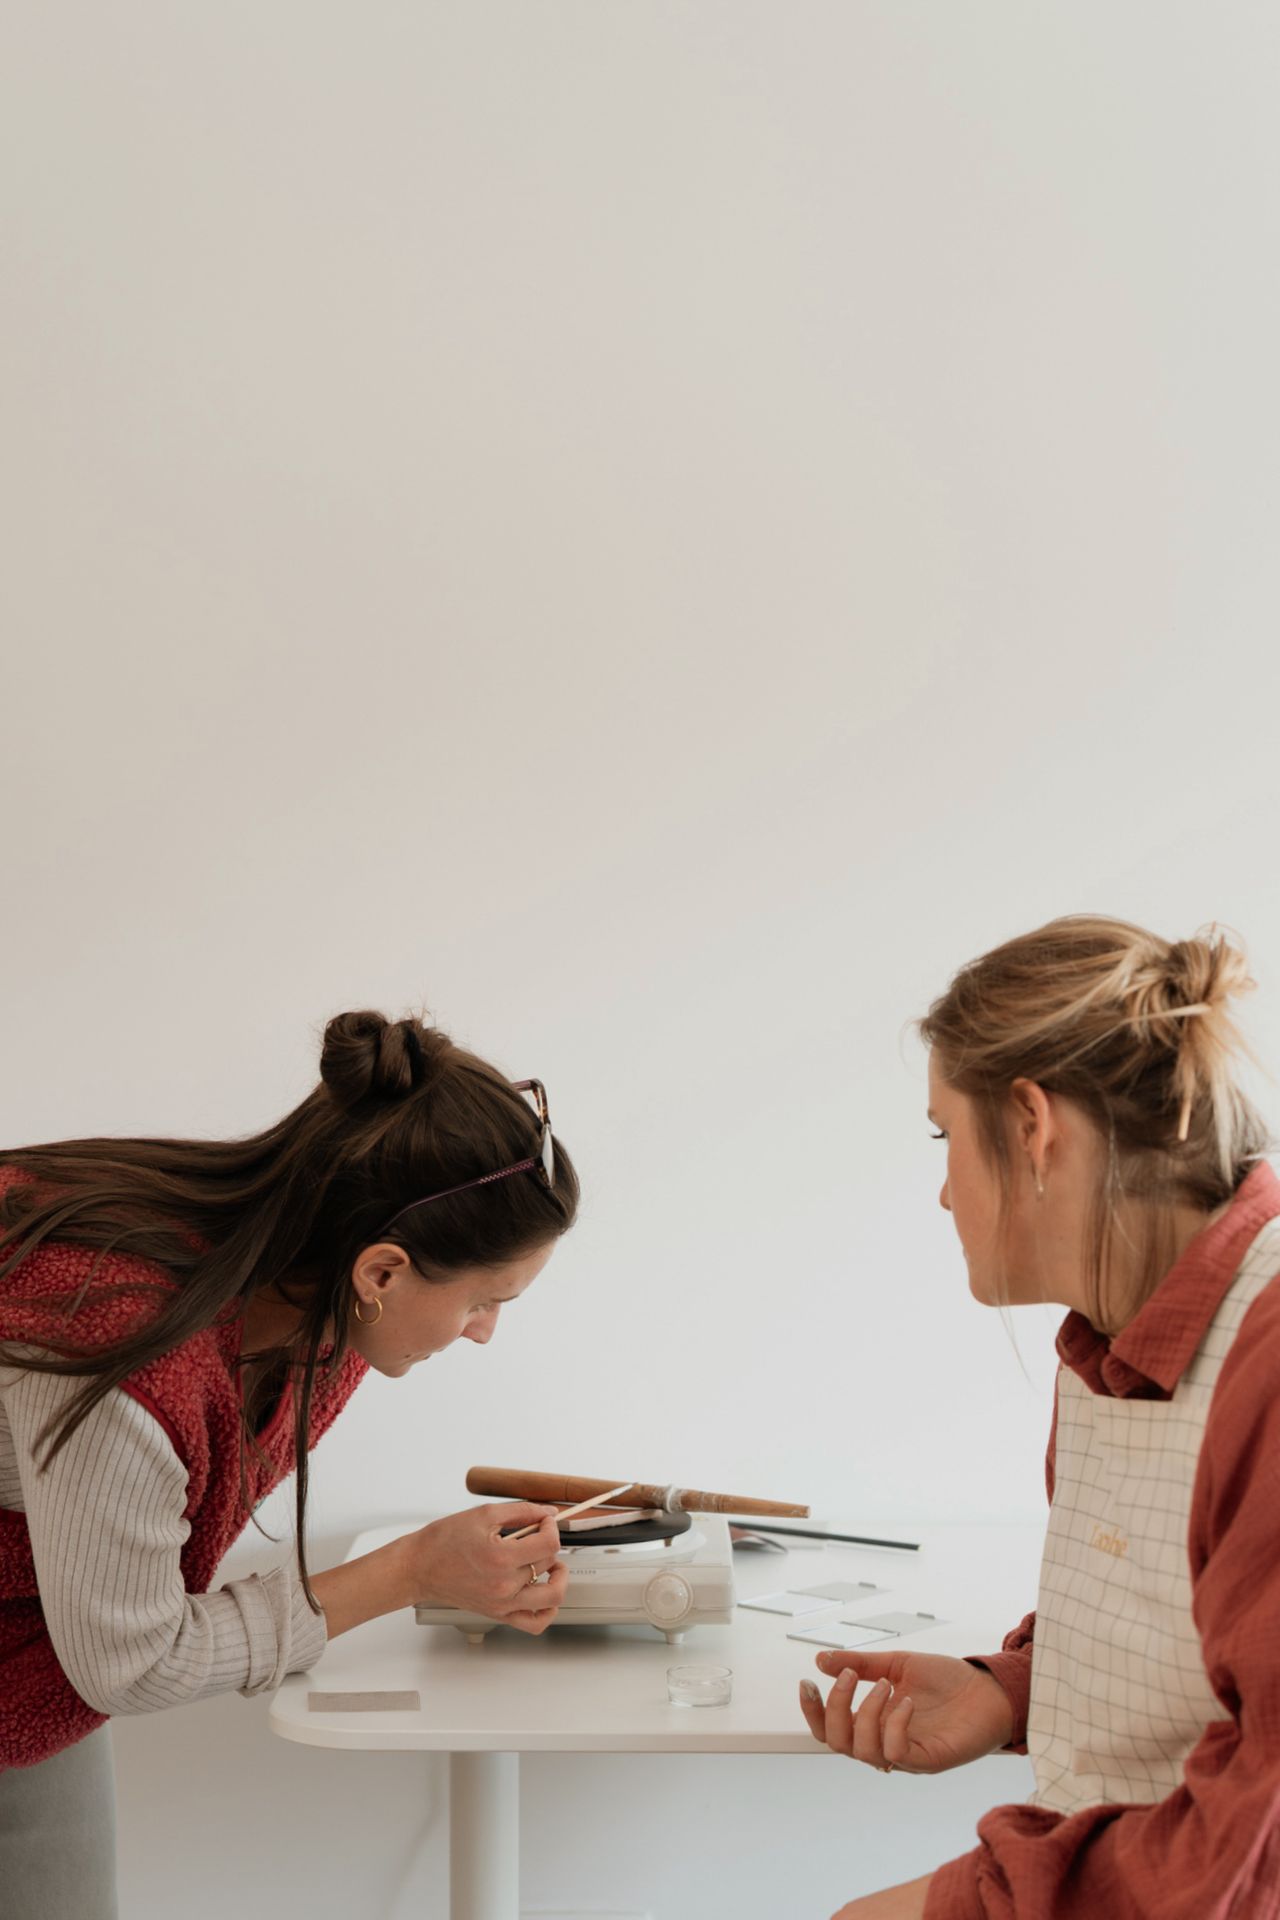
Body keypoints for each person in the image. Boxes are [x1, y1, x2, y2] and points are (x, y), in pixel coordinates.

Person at [0, 1008, 579, 1918]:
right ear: (382, 1272)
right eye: (483, 1300)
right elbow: (132, 1661)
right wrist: (413, 1570)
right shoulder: (126, 1346)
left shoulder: (318, 1310)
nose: (483, 1333)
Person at [799, 916, 1280, 1919]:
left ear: (1029, 1125)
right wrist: (1014, 1689)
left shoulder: (1266, 1357)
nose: (940, 1194)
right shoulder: (1109, 1331)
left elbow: (1258, 1831)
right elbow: (1182, 1632)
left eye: (945, 1138)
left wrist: (963, 1905)